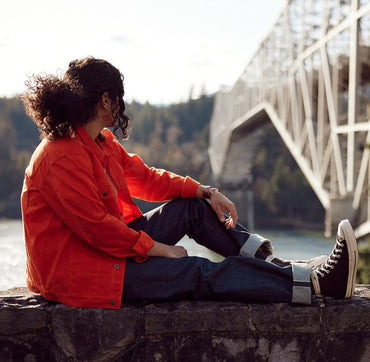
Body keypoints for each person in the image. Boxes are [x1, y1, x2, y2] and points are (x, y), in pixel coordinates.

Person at [20, 57, 359, 309]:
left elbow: (146, 178)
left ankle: (278, 267)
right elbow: (97, 229)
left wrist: (205, 191)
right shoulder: (60, 155)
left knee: (193, 209)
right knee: (196, 272)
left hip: (109, 253)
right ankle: (313, 285)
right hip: (85, 274)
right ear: (106, 100)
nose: (121, 105)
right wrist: (161, 249)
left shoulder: (99, 142)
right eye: (118, 98)